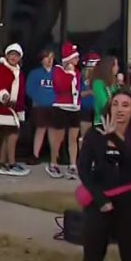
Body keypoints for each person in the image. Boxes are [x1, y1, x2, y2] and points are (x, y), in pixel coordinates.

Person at [69, 90, 131, 261]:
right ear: (109, 107)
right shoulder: (95, 134)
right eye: (116, 104)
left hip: (130, 206)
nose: (120, 109)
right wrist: (99, 199)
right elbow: (83, 168)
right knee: (92, 258)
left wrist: (114, 138)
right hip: (99, 204)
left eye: (126, 105)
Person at [0, 44, 28, 176]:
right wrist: (6, 98)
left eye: (16, 55)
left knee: (7, 135)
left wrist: (19, 107)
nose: (13, 57)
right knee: (11, 135)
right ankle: (11, 163)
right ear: (6, 56)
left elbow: (21, 92)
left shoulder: (19, 72)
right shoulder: (2, 69)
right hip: (4, 108)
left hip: (14, 109)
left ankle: (2, 163)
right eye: (11, 54)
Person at [49, 43, 82, 180]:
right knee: (59, 138)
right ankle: (53, 163)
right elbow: (61, 87)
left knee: (73, 138)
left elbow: (76, 88)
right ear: (68, 59)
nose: (78, 60)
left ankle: (73, 165)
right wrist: (69, 74)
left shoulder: (77, 72)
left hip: (74, 107)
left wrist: (73, 73)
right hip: (61, 106)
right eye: (75, 57)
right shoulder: (58, 70)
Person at [26, 50, 56, 165]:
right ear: (41, 60)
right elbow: (29, 89)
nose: (49, 60)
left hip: (55, 106)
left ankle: (54, 156)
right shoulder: (35, 73)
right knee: (40, 130)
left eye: (51, 58)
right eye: (46, 58)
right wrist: (40, 99)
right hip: (40, 106)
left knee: (54, 131)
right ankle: (35, 155)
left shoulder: (57, 73)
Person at [91, 56, 122, 128]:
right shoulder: (98, 83)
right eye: (116, 65)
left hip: (116, 121)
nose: (118, 68)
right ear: (109, 67)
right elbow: (103, 103)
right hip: (102, 121)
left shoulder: (115, 83)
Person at [79, 53, 101, 139]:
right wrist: (90, 92)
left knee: (99, 136)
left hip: (99, 110)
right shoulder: (80, 78)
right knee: (85, 136)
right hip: (85, 109)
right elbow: (77, 94)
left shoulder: (101, 78)